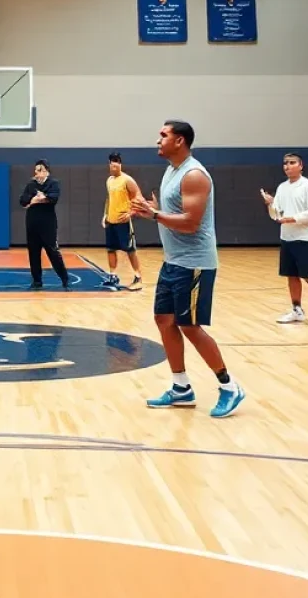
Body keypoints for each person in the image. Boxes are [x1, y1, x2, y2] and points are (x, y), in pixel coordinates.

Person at [132, 120, 245, 418]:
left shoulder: (194, 174)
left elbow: (192, 222)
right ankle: (181, 387)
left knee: (189, 325)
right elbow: (175, 213)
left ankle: (229, 385)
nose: (158, 140)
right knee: (163, 319)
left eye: (163, 135)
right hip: (173, 261)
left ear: (179, 141)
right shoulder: (172, 170)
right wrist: (154, 209)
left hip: (194, 263)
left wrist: (154, 214)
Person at [261, 153, 308, 324]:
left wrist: (292, 219)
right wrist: (270, 204)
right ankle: (297, 310)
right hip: (287, 238)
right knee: (291, 276)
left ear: (301, 165)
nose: (287, 166)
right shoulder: (282, 188)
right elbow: (277, 215)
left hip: (305, 238)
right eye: (285, 163)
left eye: (292, 163)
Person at [20, 160, 69, 291]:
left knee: (52, 251)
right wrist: (33, 200)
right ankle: (37, 281)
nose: (37, 172)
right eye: (36, 170)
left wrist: (40, 199)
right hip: (32, 223)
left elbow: (53, 198)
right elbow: (23, 200)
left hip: (48, 224)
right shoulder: (31, 184)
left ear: (46, 170)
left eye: (39, 170)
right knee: (33, 253)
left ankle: (64, 278)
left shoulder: (53, 183)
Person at [102, 152, 144, 292]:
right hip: (111, 220)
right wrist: (105, 214)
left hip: (123, 221)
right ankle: (113, 275)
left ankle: (138, 278)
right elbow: (109, 199)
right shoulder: (109, 180)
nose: (114, 165)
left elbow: (139, 198)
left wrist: (131, 213)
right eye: (111, 162)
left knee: (130, 250)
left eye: (116, 162)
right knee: (110, 249)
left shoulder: (127, 180)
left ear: (120, 164)